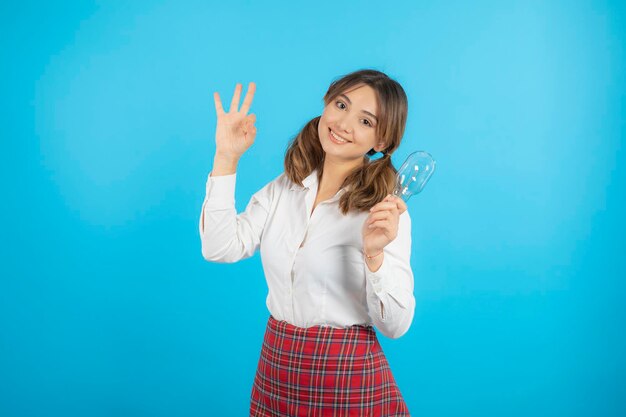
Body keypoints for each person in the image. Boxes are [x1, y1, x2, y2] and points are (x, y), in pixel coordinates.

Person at [199, 69, 414, 416]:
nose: (344, 123)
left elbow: (396, 326)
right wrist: (226, 157)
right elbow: (219, 247)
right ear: (326, 105)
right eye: (341, 105)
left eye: (365, 121)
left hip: (346, 378)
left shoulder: (384, 214)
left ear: (383, 142)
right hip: (277, 367)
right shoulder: (285, 188)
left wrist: (374, 255)